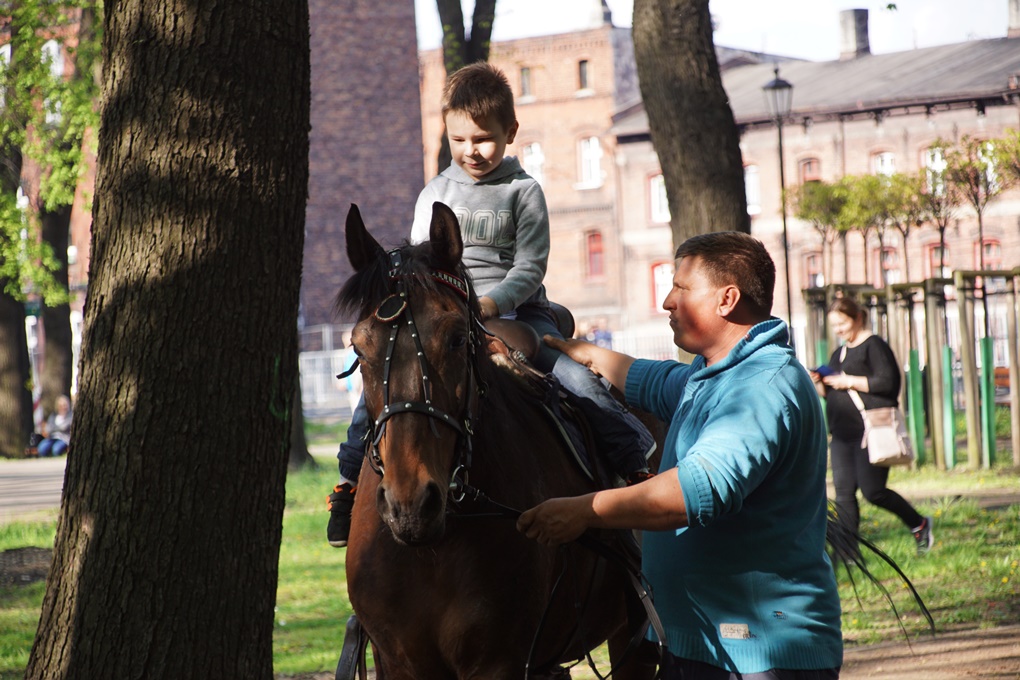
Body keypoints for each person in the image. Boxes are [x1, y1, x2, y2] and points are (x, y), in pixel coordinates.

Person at [326, 61, 655, 548]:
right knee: (381, 383)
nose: (471, 151)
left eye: (482, 138)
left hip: (519, 312)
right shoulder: (435, 192)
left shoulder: (523, 193)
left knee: (573, 377)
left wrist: (489, 302)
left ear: (510, 132)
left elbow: (530, 267)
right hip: (447, 313)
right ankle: (350, 482)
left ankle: (633, 457)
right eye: (459, 140)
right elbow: (420, 263)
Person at [517, 232, 843, 679]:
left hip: (758, 656)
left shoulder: (762, 388)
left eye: (681, 288)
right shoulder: (714, 373)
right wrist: (583, 354)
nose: (668, 302)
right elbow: (652, 380)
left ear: (727, 299)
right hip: (705, 644)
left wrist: (584, 510)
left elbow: (696, 491)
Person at [810, 296, 933, 556]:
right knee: (843, 494)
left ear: (858, 317)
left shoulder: (874, 346)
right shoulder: (839, 353)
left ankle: (919, 523)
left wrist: (849, 381)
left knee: (873, 492)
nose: (839, 330)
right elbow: (832, 394)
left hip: (871, 431)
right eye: (834, 326)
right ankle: (848, 554)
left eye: (842, 323)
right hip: (842, 434)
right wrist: (820, 382)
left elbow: (889, 383)